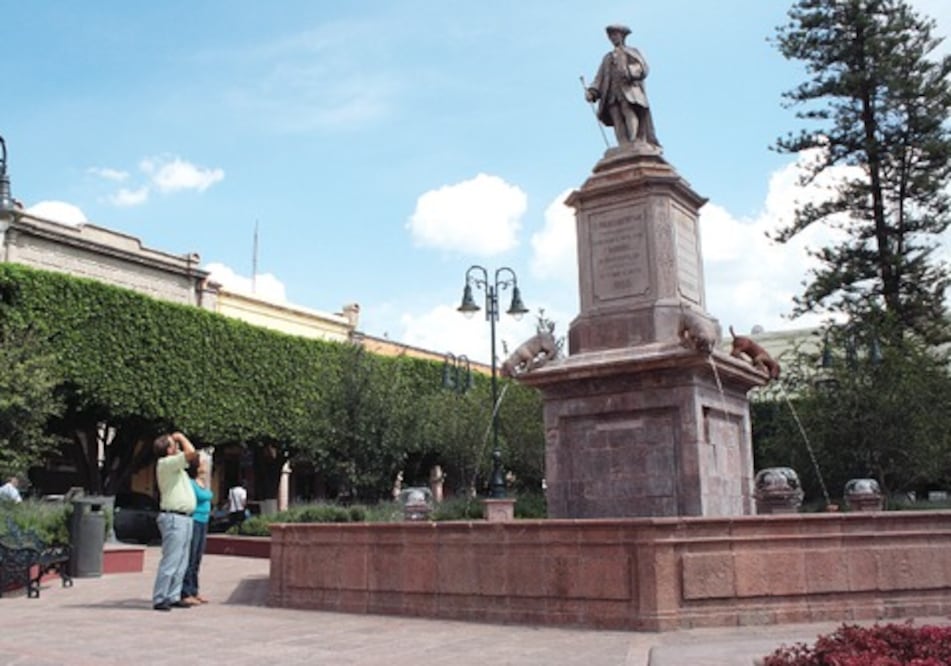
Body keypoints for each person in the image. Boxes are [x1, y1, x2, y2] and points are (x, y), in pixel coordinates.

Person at [585, 24, 660, 148]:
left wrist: (631, 71)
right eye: (611, 36)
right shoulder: (607, 58)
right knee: (616, 117)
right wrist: (592, 92)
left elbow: (642, 67)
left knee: (628, 111)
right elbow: (599, 78)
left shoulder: (632, 52)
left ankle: (635, 139)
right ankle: (624, 145)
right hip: (611, 93)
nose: (613, 38)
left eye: (615, 35)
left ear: (622, 36)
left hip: (628, 90)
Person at [151, 431, 198, 611]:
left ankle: (173, 595)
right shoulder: (165, 463)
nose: (177, 446)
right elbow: (191, 453)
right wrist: (181, 437)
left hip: (184, 518)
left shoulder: (175, 466)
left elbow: (191, 458)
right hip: (174, 517)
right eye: (174, 444)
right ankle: (160, 597)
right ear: (168, 449)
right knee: (171, 559)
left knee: (182, 560)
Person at [181, 455, 213, 606]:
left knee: (197, 559)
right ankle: (185, 591)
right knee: (190, 558)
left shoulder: (203, 483)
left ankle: (194, 590)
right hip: (194, 520)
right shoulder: (190, 483)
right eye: (203, 463)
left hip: (204, 521)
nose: (206, 465)